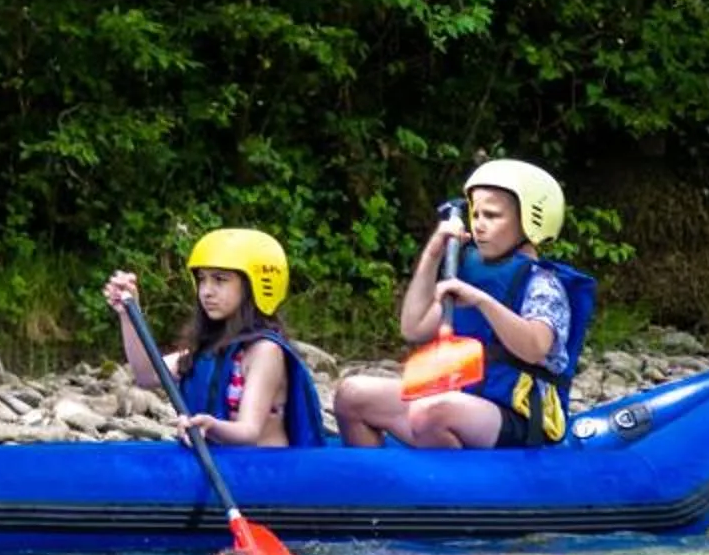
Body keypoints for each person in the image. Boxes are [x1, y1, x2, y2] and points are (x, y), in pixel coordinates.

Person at [334, 160, 598, 448]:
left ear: (531, 222)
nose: (479, 225)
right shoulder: (472, 274)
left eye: (492, 216)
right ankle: (379, 488)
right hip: (461, 402)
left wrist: (481, 301)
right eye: (476, 214)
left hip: (518, 418)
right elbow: (414, 327)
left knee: (430, 411)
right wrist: (433, 254)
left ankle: (452, 488)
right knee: (353, 394)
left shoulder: (543, 284)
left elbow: (534, 348)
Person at [101, 228, 329, 449]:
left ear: (255, 286)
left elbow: (249, 431)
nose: (206, 291)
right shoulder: (209, 347)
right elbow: (147, 374)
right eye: (202, 279)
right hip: (224, 464)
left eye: (220, 280)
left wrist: (211, 427)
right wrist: (129, 315)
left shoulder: (264, 350)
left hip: (264, 469)